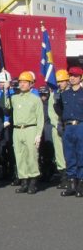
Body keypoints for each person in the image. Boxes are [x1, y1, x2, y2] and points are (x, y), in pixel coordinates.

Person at [7, 71, 44, 194]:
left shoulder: (35, 99)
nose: (22, 84)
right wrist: (5, 90)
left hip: (30, 128)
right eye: (20, 82)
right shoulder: (14, 98)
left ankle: (33, 181)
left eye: (25, 82)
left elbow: (40, 118)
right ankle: (23, 181)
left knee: (32, 155)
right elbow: (5, 105)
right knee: (20, 155)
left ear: (31, 84)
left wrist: (39, 134)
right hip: (17, 130)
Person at [55, 66, 83, 197]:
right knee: (69, 156)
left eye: (75, 76)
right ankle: (71, 185)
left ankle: (81, 185)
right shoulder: (64, 94)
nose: (72, 78)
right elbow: (59, 109)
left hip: (80, 126)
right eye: (70, 75)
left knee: (81, 155)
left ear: (80, 78)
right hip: (68, 127)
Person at [50, 69, 69, 190]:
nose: (60, 83)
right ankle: (64, 178)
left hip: (69, 125)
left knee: (70, 152)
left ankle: (73, 177)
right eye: (58, 81)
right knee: (59, 153)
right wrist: (56, 124)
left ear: (67, 81)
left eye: (62, 81)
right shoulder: (54, 94)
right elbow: (51, 112)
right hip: (57, 126)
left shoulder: (71, 93)